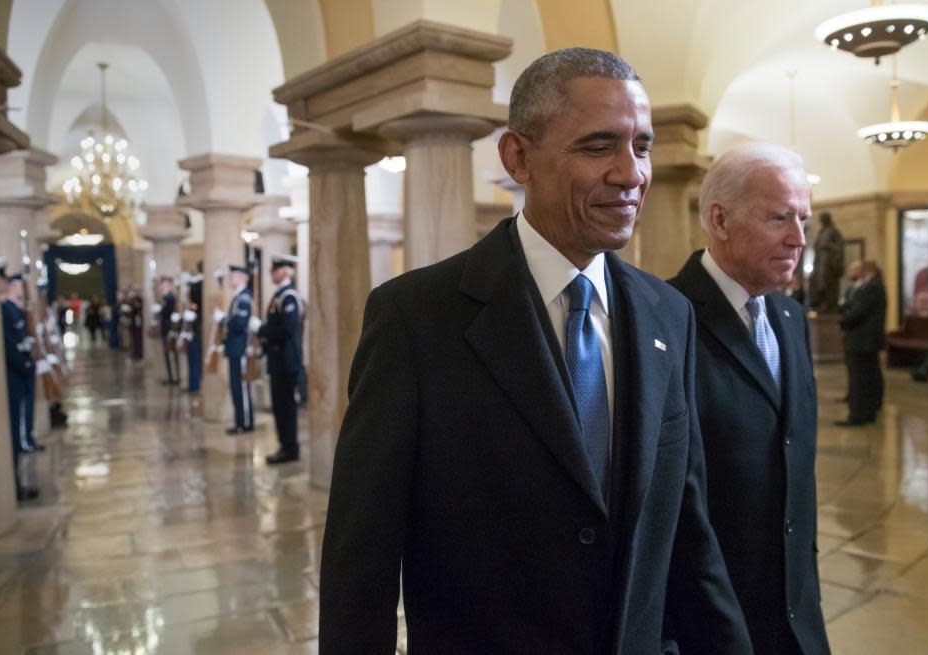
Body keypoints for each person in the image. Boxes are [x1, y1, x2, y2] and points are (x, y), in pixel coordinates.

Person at [319, 48, 752, 655]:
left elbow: (686, 532)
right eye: (599, 147)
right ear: (517, 156)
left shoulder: (667, 313)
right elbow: (358, 566)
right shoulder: (416, 319)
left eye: (643, 146)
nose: (631, 174)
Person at [669, 142, 831, 655]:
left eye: (803, 218)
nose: (799, 238)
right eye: (780, 217)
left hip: (796, 616)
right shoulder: (665, 319)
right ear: (720, 220)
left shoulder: (789, 319)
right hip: (712, 623)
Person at [258, 255, 303, 464]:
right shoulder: (280, 296)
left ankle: (289, 447)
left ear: (286, 271)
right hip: (278, 360)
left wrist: (261, 329)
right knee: (279, 405)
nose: (271, 273)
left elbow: (286, 329)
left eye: (275, 269)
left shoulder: (289, 297)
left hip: (287, 360)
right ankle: (284, 444)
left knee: (285, 406)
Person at [1, 273, 40, 501]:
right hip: (16, 371)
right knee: (16, 423)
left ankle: (27, 442)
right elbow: (10, 343)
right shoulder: (5, 309)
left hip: (24, 366)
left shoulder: (18, 307)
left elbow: (27, 323)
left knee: (23, 415)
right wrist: (25, 364)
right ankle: (14, 485)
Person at [838, 260, 886, 426]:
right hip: (864, 340)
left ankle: (857, 415)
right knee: (866, 376)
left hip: (862, 340)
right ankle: (868, 412)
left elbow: (859, 311)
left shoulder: (873, 286)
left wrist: (842, 322)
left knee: (859, 378)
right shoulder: (872, 286)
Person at [220, 264, 254, 435]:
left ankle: (245, 423)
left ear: (241, 278)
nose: (230, 279)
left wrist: (225, 320)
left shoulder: (243, 298)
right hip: (234, 348)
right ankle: (240, 421)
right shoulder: (238, 297)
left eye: (232, 276)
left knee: (241, 387)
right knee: (236, 386)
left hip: (241, 349)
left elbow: (240, 324)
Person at [807, 211, 845, 314]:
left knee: (827, 283)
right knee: (817, 283)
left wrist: (828, 246)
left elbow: (840, 248)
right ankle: (820, 304)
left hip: (829, 264)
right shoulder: (821, 232)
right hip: (819, 262)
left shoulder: (834, 232)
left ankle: (828, 305)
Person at [158, 277, 180, 385]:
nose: (162, 286)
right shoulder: (165, 297)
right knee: (167, 353)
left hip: (169, 328)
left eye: (164, 284)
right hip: (165, 328)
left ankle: (174, 377)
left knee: (171, 352)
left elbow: (168, 313)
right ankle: (171, 376)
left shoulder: (170, 298)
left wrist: (160, 310)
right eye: (162, 284)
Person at [183, 275, 203, 393]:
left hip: (197, 335)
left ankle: (195, 385)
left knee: (195, 361)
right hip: (191, 334)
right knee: (191, 360)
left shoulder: (198, 306)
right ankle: (192, 384)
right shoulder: (192, 306)